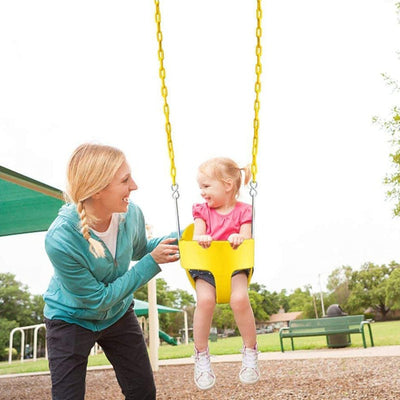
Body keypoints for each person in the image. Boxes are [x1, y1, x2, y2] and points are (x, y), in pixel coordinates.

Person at [43, 143, 179, 400]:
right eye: (125, 180)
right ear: (97, 189)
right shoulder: (61, 238)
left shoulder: (131, 214)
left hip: (117, 315)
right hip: (71, 319)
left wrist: (187, 238)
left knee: (142, 392)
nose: (134, 186)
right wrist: (152, 263)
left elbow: (140, 249)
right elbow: (97, 299)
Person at [189, 157, 260, 390]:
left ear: (228, 185)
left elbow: (246, 235)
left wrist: (240, 237)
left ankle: (250, 352)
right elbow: (197, 235)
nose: (202, 192)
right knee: (205, 301)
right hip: (206, 267)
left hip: (234, 265)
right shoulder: (202, 212)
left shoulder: (244, 211)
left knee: (239, 299)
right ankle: (201, 356)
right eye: (201, 187)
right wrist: (202, 238)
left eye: (206, 186)